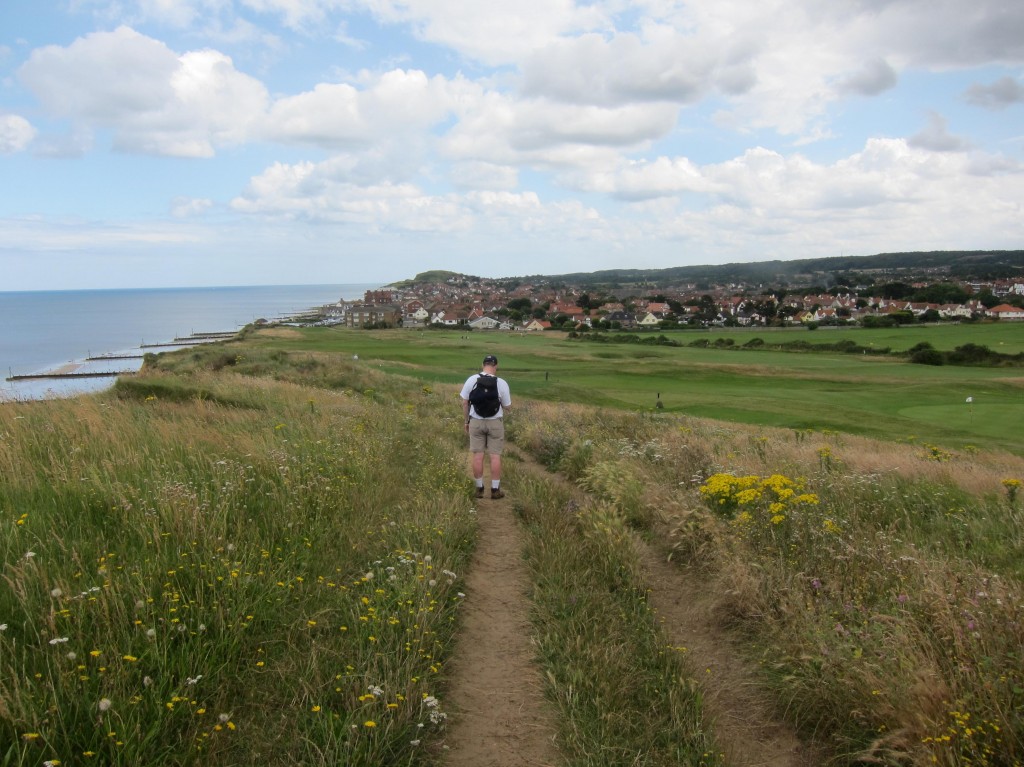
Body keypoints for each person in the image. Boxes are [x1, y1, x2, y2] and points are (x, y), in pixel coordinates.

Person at [460, 354, 512, 499]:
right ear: (495, 366)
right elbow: (508, 407)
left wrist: (466, 421)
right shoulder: (501, 383)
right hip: (495, 422)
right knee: (495, 456)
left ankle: (479, 489)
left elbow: (464, 403)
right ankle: (495, 490)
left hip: (476, 421)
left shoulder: (471, 380)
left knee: (478, 456)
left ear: (483, 365)